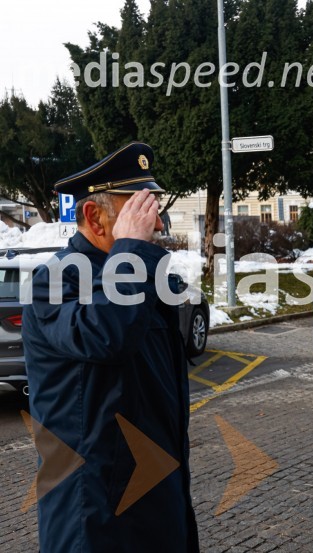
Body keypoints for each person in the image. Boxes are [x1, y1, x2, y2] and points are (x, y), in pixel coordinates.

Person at [23, 142, 199, 551]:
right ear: (93, 217)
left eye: (152, 210)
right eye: (137, 211)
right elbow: (107, 336)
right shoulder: (57, 282)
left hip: (154, 491)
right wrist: (132, 252)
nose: (155, 226)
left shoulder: (139, 275)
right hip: (95, 509)